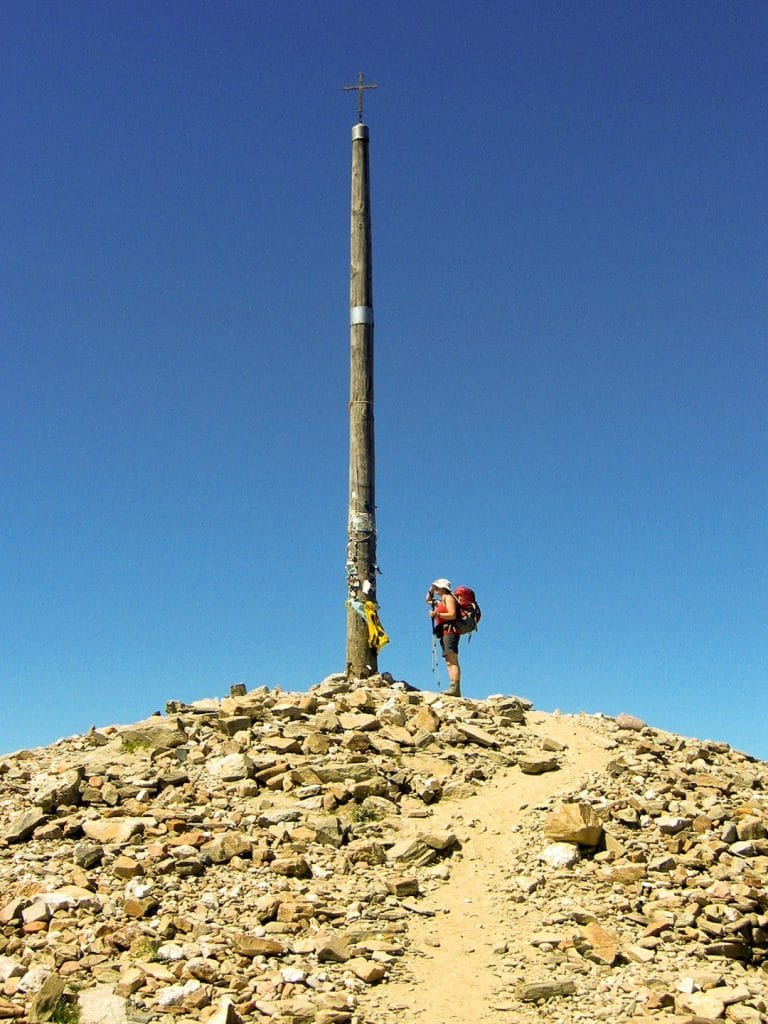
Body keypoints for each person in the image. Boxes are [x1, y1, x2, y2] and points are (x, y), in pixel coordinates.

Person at [426, 578, 462, 697]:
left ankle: (455, 688)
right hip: (445, 632)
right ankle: (453, 686)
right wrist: (431, 590)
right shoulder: (442, 600)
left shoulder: (448, 598)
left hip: (450, 631)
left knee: (452, 659)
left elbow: (452, 615)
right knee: (448, 660)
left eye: (437, 587)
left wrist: (437, 614)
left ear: (443, 588)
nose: (436, 589)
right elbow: (428, 600)